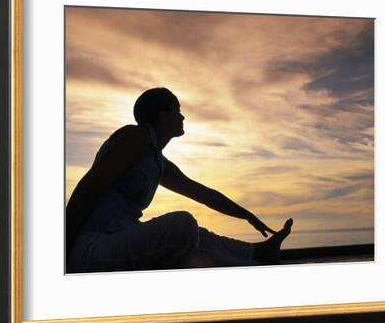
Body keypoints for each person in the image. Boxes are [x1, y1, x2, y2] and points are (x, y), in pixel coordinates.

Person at [66, 88, 293, 273]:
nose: (182, 116)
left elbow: (203, 194)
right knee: (183, 226)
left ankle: (258, 252)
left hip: (118, 240)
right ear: (163, 115)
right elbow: (88, 188)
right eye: (177, 110)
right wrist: (63, 253)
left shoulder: (157, 161)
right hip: (94, 248)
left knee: (198, 235)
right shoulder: (135, 136)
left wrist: (247, 215)